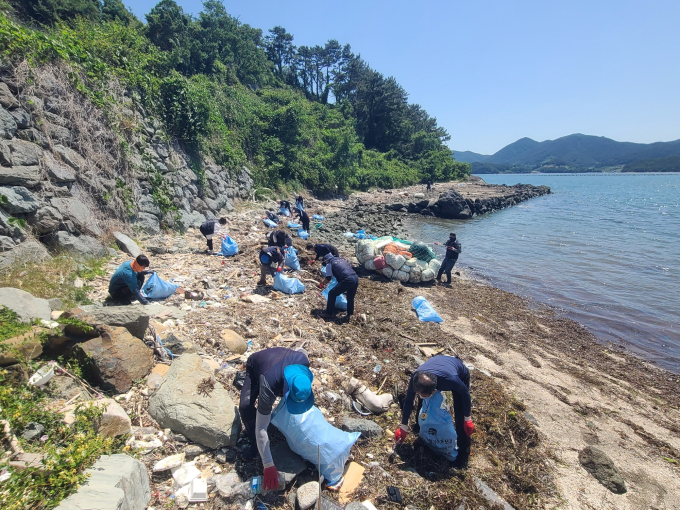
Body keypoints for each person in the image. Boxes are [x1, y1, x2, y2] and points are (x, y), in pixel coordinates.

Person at [239, 347, 313, 491]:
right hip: (257, 366)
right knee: (245, 406)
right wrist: (268, 465)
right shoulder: (269, 384)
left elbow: (301, 351)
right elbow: (261, 427)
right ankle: (254, 443)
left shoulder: (303, 363)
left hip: (277, 364)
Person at [394, 355, 474, 469]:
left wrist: (467, 419)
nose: (421, 396)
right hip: (436, 367)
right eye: (420, 394)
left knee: (460, 413)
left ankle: (462, 457)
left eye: (426, 395)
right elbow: (408, 401)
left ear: (434, 391)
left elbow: (465, 393)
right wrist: (403, 427)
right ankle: (418, 426)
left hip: (458, 373)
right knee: (423, 402)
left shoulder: (452, 380)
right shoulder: (416, 378)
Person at [319, 253, 359, 322]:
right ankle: (350, 313)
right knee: (350, 297)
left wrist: (322, 284)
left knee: (332, 293)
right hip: (355, 278)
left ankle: (329, 313)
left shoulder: (329, 264)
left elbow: (328, 278)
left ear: (326, 260)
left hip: (347, 280)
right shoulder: (341, 259)